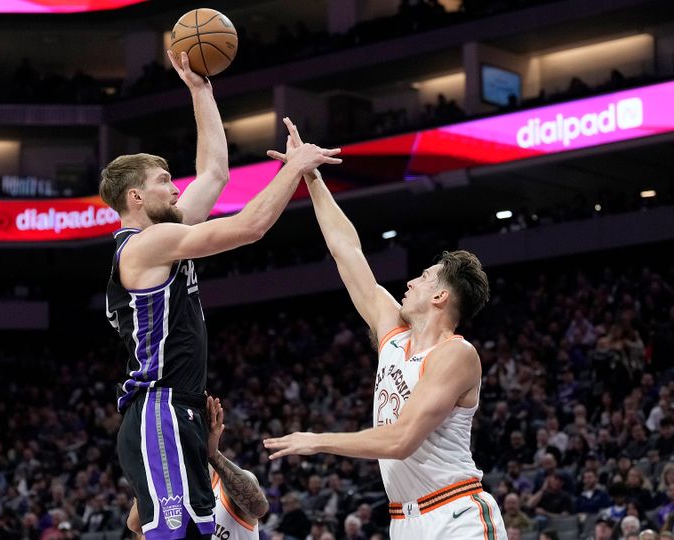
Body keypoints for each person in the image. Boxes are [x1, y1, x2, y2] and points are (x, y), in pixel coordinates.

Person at [101, 51, 340, 540]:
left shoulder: (162, 237)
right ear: (136, 199)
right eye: (163, 181)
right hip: (160, 408)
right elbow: (250, 227)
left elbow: (214, 174)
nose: (175, 187)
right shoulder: (147, 245)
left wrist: (200, 90)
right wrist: (294, 168)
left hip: (178, 412)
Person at [262, 119, 506, 538]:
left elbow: (400, 440)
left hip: (456, 514)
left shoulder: (456, 355)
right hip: (403, 519)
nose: (410, 282)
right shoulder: (394, 331)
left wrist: (317, 439)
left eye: (425, 278)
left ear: (441, 297)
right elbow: (347, 251)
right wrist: (312, 177)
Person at [127, 397, 269, 540]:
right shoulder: (169, 487)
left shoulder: (227, 484)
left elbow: (258, 508)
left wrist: (213, 455)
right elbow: (135, 525)